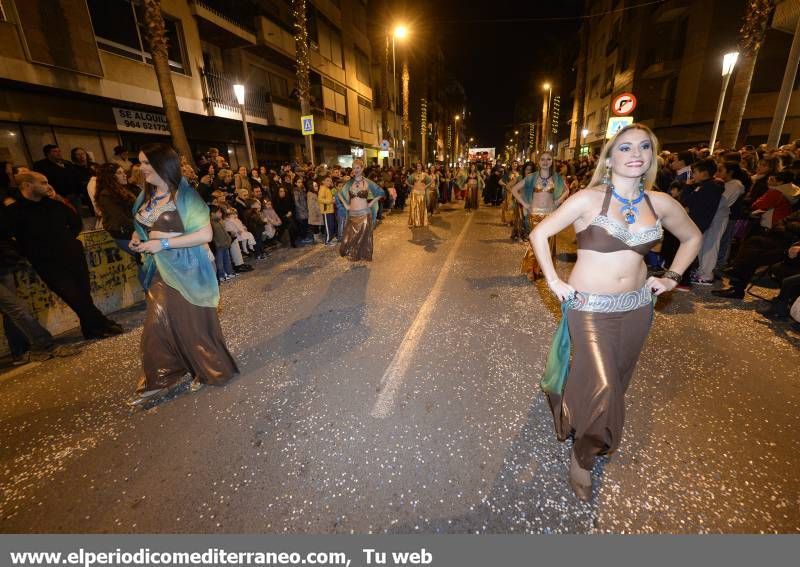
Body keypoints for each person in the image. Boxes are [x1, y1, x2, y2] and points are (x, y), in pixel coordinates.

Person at [530, 124, 701, 501]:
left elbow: (692, 237)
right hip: (589, 308)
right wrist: (554, 281)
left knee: (616, 384)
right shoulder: (588, 199)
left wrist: (671, 277)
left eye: (644, 147)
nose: (635, 153)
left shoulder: (661, 203)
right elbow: (539, 234)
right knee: (604, 388)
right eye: (624, 148)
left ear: (652, 157)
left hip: (638, 308)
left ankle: (591, 428)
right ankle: (582, 457)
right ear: (609, 158)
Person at [128, 143, 238, 406]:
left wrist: (162, 244)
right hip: (158, 270)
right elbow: (143, 226)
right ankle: (159, 378)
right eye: (140, 162)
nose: (140, 167)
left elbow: (205, 234)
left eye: (145, 163)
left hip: (188, 268)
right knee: (157, 322)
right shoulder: (145, 198)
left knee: (192, 324)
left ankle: (206, 368)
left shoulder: (186, 197)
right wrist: (137, 238)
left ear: (162, 165)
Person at [7, 171, 124, 339]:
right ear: (27, 185)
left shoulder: (55, 205)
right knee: (73, 296)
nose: (48, 186)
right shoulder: (14, 211)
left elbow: (76, 223)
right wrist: (24, 251)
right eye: (43, 183)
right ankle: (101, 323)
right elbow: (8, 236)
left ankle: (91, 330)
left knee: (83, 294)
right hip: (46, 262)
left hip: (73, 255)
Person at [0, 206, 82, 364]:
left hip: (3, 265)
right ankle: (45, 343)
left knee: (11, 312)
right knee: (16, 308)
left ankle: (20, 352)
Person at [513, 151, 568, 281]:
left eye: (548, 159)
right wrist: (525, 204)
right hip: (535, 214)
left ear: (552, 161)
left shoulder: (556, 178)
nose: (545, 162)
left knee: (548, 243)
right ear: (538, 162)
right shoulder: (532, 177)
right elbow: (514, 189)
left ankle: (542, 268)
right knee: (535, 243)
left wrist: (557, 201)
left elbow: (567, 190)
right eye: (542, 159)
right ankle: (531, 269)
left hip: (550, 215)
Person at [338, 159, 384, 262]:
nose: (355, 170)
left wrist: (370, 203)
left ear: (362, 168)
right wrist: (346, 206)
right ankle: (353, 254)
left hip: (364, 215)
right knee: (348, 239)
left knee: (362, 238)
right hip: (352, 216)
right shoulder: (349, 183)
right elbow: (339, 194)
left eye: (358, 168)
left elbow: (381, 192)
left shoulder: (368, 182)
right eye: (354, 168)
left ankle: (358, 256)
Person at [407, 162, 432, 228]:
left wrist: (425, 187)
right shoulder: (413, 175)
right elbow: (407, 181)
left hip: (422, 193)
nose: (418, 167)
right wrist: (412, 186)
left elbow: (431, 181)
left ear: (421, 167)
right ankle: (415, 222)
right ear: (416, 167)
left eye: (420, 166)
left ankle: (421, 222)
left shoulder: (425, 174)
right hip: (414, 193)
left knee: (421, 207)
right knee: (414, 207)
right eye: (417, 166)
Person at [318, 175, 336, 246]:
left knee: (331, 225)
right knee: (328, 227)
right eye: (327, 180)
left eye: (330, 181)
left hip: (330, 210)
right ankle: (327, 242)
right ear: (323, 181)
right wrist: (331, 201)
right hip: (326, 211)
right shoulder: (323, 189)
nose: (329, 182)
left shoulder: (327, 189)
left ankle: (330, 239)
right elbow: (320, 199)